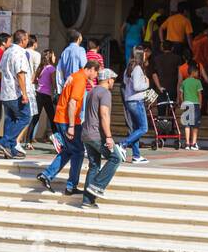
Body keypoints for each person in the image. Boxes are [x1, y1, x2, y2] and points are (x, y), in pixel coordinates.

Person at [38, 59, 99, 194]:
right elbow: (72, 103)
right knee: (78, 151)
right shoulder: (80, 80)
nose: (96, 78)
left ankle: (47, 175)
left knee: (69, 150)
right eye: (96, 74)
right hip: (68, 120)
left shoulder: (77, 76)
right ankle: (70, 186)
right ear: (91, 69)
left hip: (63, 118)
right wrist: (71, 126)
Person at [80, 68, 127, 207]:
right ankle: (97, 185)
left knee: (94, 165)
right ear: (108, 79)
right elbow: (104, 114)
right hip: (96, 135)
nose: (114, 82)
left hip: (86, 134)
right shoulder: (105, 93)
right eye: (113, 79)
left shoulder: (92, 91)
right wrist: (109, 137)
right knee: (116, 158)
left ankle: (87, 200)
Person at [0, 29, 32, 159]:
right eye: (27, 39)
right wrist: (25, 94)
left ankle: (10, 148)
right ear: (23, 40)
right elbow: (20, 74)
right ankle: (5, 142)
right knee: (26, 117)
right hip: (16, 93)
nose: (28, 41)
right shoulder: (19, 53)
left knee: (11, 120)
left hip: (5, 93)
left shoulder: (7, 51)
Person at [121, 47, 152, 163]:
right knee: (143, 128)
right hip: (137, 101)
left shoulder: (129, 67)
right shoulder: (138, 68)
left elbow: (125, 82)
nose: (145, 56)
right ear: (140, 55)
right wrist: (147, 84)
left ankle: (136, 155)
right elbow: (137, 87)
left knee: (136, 129)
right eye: (144, 54)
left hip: (129, 100)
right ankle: (123, 144)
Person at [34, 49, 58, 144]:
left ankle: (28, 141)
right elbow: (53, 83)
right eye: (54, 55)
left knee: (35, 118)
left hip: (39, 94)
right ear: (51, 57)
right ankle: (57, 138)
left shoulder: (41, 68)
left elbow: (34, 80)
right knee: (52, 118)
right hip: (46, 95)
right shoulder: (51, 68)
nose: (55, 57)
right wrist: (56, 90)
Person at [180, 60, 204, 150]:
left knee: (187, 124)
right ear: (193, 72)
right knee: (195, 125)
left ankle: (187, 143)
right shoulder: (198, 82)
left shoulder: (184, 82)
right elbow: (200, 94)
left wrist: (183, 102)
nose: (198, 73)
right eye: (197, 72)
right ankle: (193, 143)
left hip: (186, 104)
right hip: (195, 104)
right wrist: (200, 104)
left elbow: (181, 94)